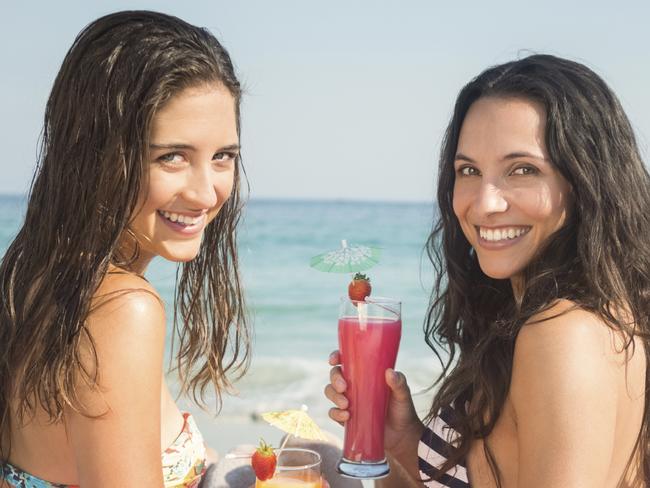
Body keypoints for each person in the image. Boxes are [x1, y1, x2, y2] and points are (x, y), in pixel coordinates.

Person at [326, 54, 649, 487]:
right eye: (469, 170)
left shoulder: (563, 335)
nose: (483, 203)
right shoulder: (577, 318)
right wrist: (403, 442)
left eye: (522, 170)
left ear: (585, 180)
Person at [0, 11, 250, 487]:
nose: (205, 193)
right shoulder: (123, 310)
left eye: (223, 157)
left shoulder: (31, 280)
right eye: (171, 157)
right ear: (98, 155)